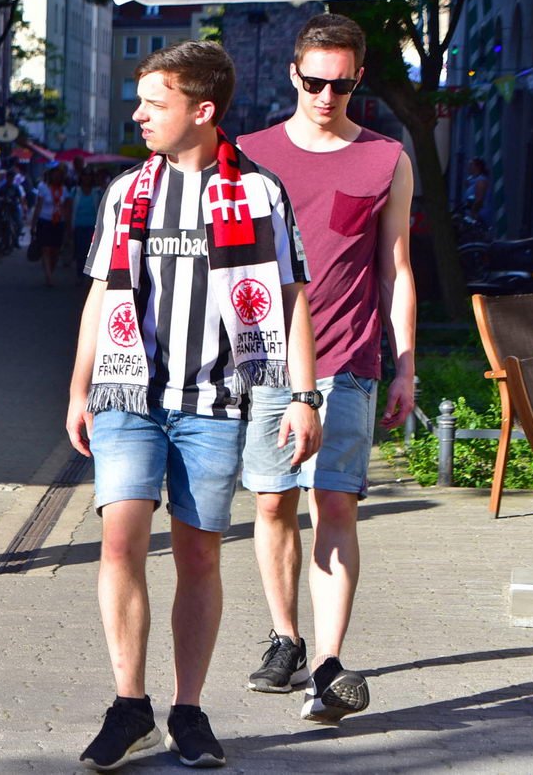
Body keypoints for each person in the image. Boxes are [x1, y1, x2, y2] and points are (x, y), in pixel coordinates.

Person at [66, 40, 318, 770]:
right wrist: (78, 387)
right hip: (128, 393)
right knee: (121, 541)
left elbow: (291, 298)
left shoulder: (260, 192)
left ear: (203, 110)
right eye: (140, 101)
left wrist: (302, 396)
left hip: (213, 400)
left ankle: (187, 710)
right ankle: (129, 706)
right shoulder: (126, 191)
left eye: (155, 102)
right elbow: (101, 292)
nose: (139, 114)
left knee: (199, 553)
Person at [237, 12, 415, 723]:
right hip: (265, 361)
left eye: (339, 85)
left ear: (358, 78)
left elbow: (395, 268)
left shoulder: (385, 158)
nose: (325, 96)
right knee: (272, 500)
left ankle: (329, 665)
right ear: (293, 74)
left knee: (334, 502)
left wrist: (405, 365)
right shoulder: (247, 155)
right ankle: (285, 636)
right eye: (313, 82)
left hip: (348, 355)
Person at [29, 164, 72, 286]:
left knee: (56, 250)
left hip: (59, 222)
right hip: (45, 221)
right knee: (46, 248)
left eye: (59, 175)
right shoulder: (43, 188)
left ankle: (50, 271)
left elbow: (67, 208)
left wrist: (68, 226)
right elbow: (38, 206)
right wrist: (33, 224)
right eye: (55, 175)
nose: (56, 177)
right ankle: (48, 276)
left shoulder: (64, 190)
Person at [67, 168, 101, 270]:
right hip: (78, 226)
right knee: (80, 251)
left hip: (93, 227)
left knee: (91, 251)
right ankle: (80, 273)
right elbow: (70, 210)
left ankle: (89, 273)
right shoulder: (75, 191)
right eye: (85, 176)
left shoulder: (97, 192)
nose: (87, 178)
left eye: (89, 176)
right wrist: (69, 227)